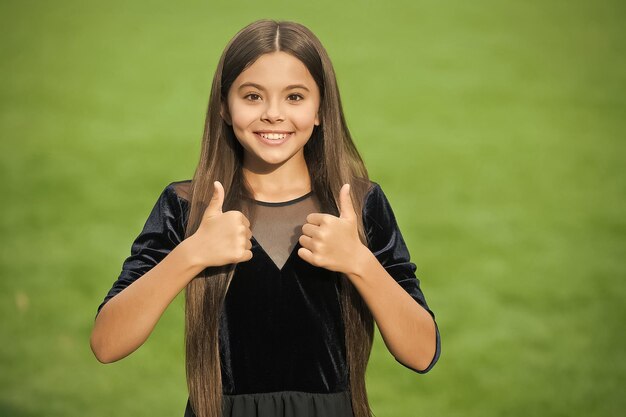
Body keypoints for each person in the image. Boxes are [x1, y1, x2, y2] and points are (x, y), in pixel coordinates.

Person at [90, 19, 441, 417]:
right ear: (224, 105)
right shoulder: (188, 206)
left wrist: (359, 261)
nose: (274, 114)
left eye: (294, 97)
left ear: (321, 109)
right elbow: (107, 343)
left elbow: (422, 352)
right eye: (253, 96)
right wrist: (192, 253)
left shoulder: (358, 205)